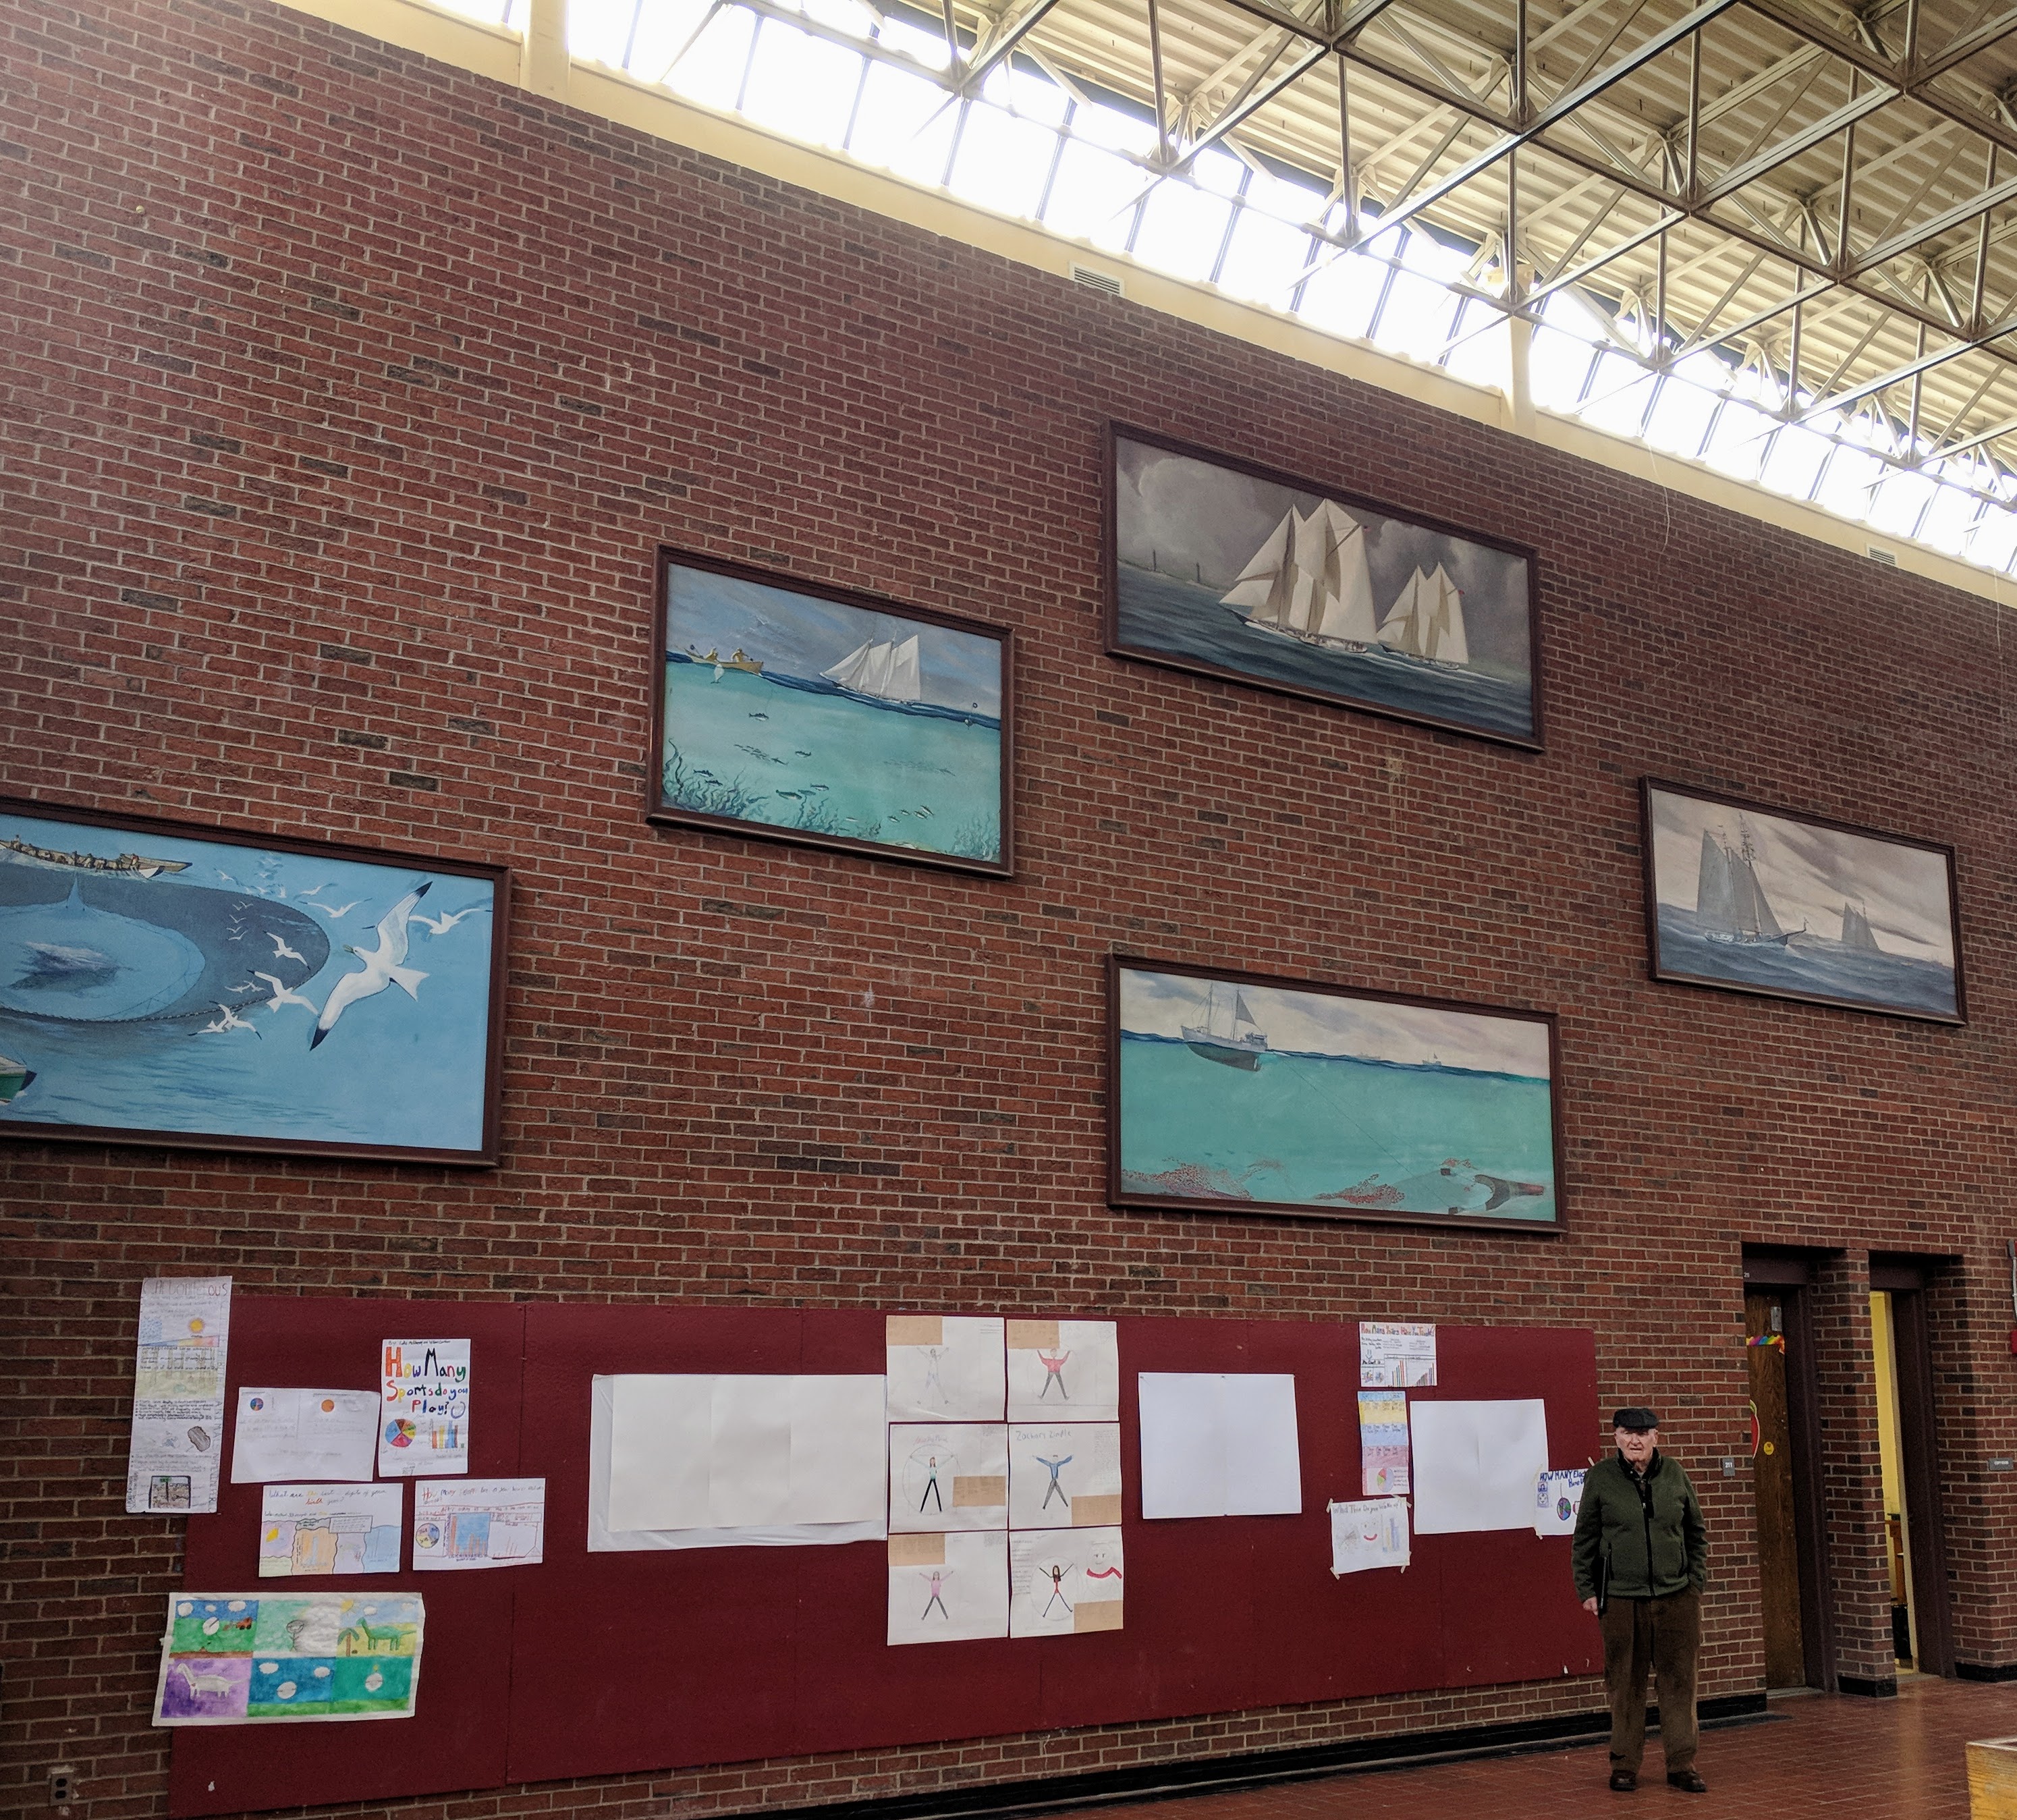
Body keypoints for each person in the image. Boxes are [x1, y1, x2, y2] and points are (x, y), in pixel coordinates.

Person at [1571, 1406, 1709, 1795]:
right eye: (1628, 1433)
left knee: (1680, 1683)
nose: (1635, 1440)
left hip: (1676, 1597)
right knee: (1625, 1685)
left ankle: (1682, 1764)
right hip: (1620, 1600)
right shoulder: (1601, 1478)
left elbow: (1695, 1532)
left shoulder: (1675, 1474)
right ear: (1616, 1437)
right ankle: (1625, 1765)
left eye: (1643, 1433)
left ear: (1655, 1438)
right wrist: (1587, 1590)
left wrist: (1694, 1583)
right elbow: (1584, 1539)